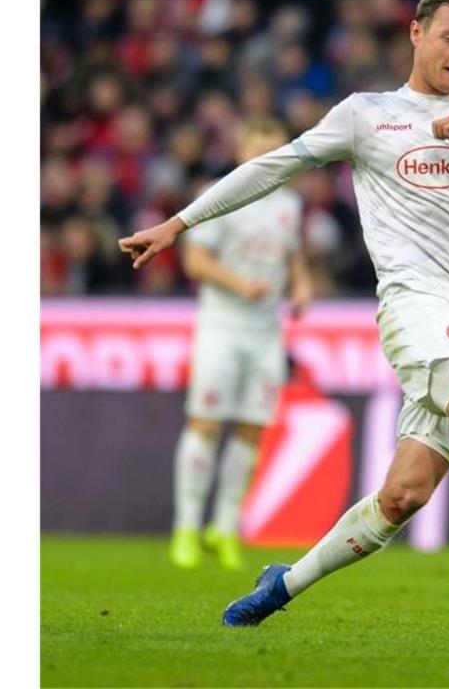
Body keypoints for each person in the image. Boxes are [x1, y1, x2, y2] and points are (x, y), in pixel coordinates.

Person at [118, 0, 449, 625]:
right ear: (416, 34)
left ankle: (281, 586)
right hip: (414, 306)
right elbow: (273, 168)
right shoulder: (368, 115)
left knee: (403, 495)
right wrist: (180, 222)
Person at [169, 117, 313, 572]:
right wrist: (239, 283)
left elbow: (291, 254)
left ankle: (225, 526)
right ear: (242, 151)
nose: (269, 157)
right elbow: (194, 260)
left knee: (253, 428)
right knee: (206, 423)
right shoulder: (221, 197)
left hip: (265, 330)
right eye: (261, 147)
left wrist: (302, 285)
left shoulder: (288, 204)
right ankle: (187, 526)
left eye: (276, 150)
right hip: (221, 325)